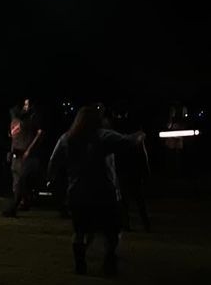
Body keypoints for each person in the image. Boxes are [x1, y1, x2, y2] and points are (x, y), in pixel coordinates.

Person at [48, 105, 146, 275]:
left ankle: (80, 265)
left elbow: (53, 162)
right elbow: (128, 142)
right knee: (112, 231)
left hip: (77, 193)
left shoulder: (66, 138)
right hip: (104, 193)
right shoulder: (104, 136)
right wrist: (140, 135)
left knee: (80, 231)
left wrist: (53, 181)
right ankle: (108, 262)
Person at [1, 97, 45, 217]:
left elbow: (39, 134)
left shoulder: (32, 121)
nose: (26, 107)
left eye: (28, 105)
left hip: (25, 155)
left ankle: (18, 204)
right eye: (24, 105)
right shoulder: (15, 121)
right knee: (17, 180)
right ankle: (23, 202)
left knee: (21, 180)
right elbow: (14, 138)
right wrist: (10, 151)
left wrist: (29, 150)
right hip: (17, 153)